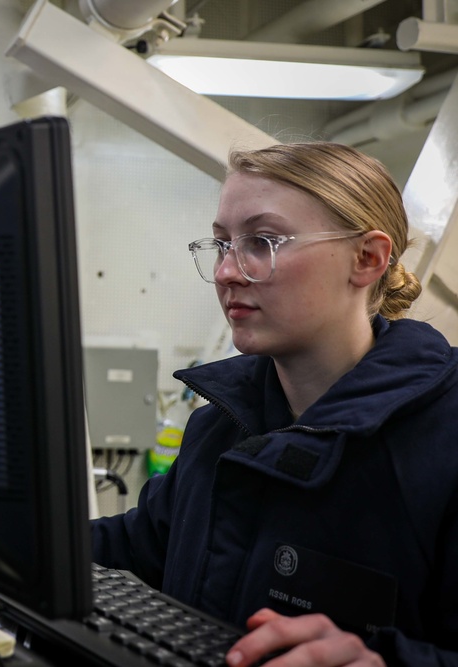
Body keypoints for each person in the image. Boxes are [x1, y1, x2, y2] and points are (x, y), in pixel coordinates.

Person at [91, 142, 458, 665]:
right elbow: (137, 544)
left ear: (367, 259)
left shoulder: (444, 437)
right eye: (222, 245)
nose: (225, 273)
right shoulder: (219, 427)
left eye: (262, 242)